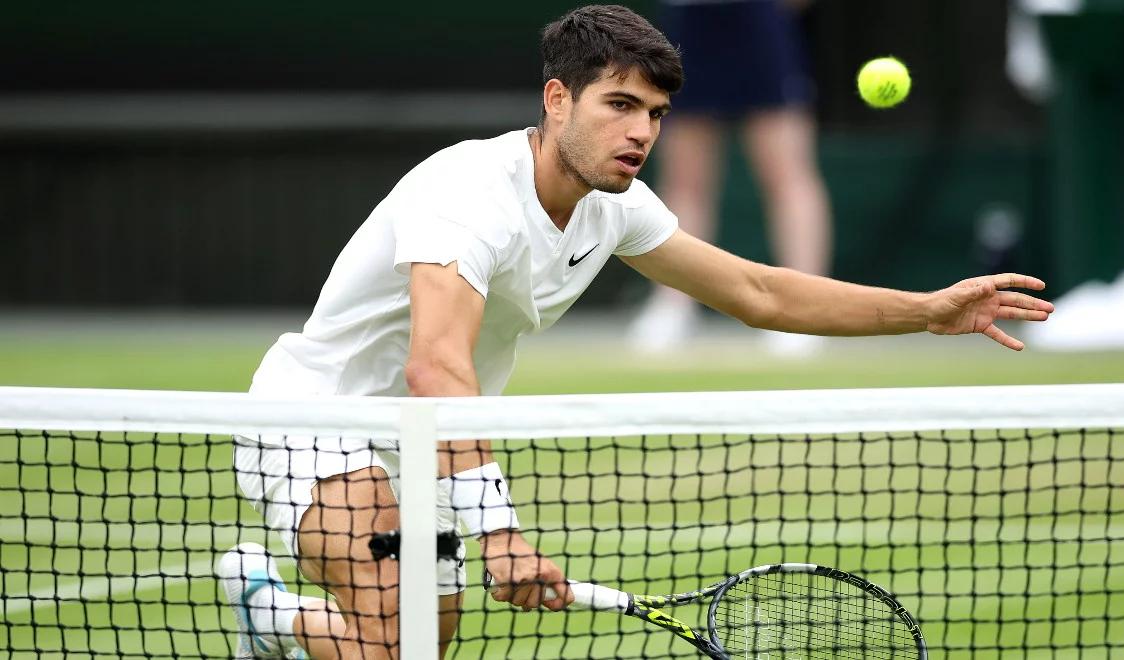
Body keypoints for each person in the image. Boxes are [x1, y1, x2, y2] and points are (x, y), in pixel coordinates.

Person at [216, 5, 1054, 659]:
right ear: (557, 98)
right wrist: (500, 533)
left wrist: (927, 311)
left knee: (420, 644)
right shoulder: (465, 194)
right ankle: (277, 607)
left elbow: (759, 293)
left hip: (421, 442)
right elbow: (437, 368)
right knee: (404, 638)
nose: (641, 133)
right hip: (320, 425)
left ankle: (274, 616)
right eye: (620, 105)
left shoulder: (616, 208)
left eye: (654, 112)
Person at [628, 0, 833, 355]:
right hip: (690, 20)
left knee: (788, 175)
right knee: (684, 181)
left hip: (758, 19)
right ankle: (673, 306)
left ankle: (807, 310)